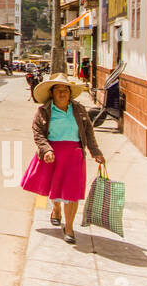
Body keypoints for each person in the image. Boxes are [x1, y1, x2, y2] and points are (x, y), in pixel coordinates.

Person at [19, 73, 105, 244]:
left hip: (74, 154)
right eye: (58, 90)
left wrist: (95, 151)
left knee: (72, 193)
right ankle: (56, 209)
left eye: (65, 90)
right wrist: (46, 150)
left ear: (70, 92)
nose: (62, 93)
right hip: (53, 154)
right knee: (55, 188)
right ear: (52, 93)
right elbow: (38, 133)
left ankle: (69, 227)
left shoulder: (79, 110)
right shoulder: (44, 111)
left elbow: (88, 131)